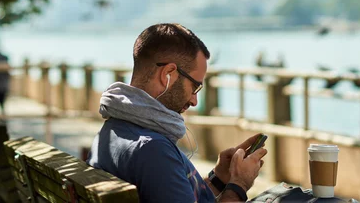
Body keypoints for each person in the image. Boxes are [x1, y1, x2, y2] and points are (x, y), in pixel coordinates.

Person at [87, 23, 267, 203]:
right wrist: (239, 184)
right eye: (195, 87)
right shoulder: (153, 150)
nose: (194, 101)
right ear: (168, 74)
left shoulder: (111, 131)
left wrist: (219, 178)